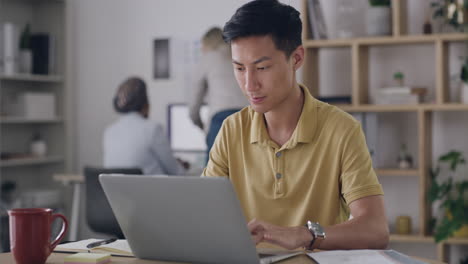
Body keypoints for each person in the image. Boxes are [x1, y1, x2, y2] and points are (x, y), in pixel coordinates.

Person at [203, 0, 389, 251]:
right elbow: (204, 218)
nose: (249, 84)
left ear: (297, 58)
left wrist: (306, 234)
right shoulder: (231, 130)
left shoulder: (342, 130)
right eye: (239, 68)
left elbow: (375, 229)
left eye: (262, 67)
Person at [103, 77, 187, 175]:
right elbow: (177, 172)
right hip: (152, 190)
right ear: (145, 104)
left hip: (116, 190)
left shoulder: (109, 132)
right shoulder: (153, 129)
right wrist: (182, 166)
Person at [188, 27, 247, 159]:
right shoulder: (239, 56)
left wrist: (201, 126)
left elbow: (194, 104)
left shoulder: (208, 58)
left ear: (206, 44)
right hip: (248, 118)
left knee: (213, 176)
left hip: (221, 119)